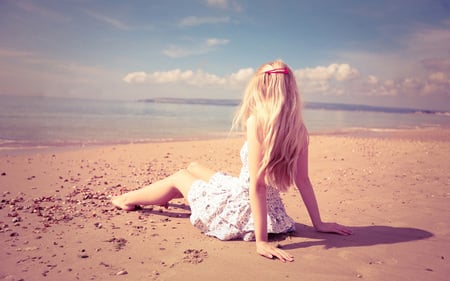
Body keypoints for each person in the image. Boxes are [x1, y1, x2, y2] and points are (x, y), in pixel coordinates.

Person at [112, 60, 352, 262]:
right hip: (271, 208)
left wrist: (261, 242)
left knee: (179, 177)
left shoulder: (256, 122)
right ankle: (166, 195)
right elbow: (303, 180)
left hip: (245, 206)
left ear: (261, 88)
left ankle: (125, 199)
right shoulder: (298, 128)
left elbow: (257, 185)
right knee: (194, 167)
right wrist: (318, 223)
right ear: (291, 89)